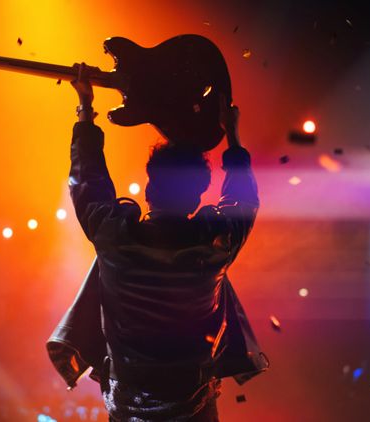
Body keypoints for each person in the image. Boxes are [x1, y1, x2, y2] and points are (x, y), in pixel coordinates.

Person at [51, 63, 266, 421]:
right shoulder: (216, 245)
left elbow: (87, 182)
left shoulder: (114, 236)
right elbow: (243, 200)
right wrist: (233, 136)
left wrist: (86, 110)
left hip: (128, 405)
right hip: (193, 406)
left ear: (149, 190)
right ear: (197, 197)